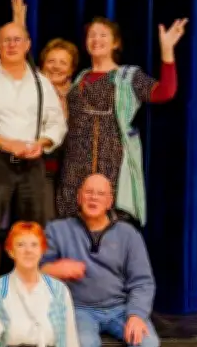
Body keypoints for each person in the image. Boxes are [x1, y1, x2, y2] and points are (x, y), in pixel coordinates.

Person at [41, 174, 158, 347]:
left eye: (100, 193)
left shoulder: (128, 235)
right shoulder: (57, 230)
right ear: (79, 197)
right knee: (82, 345)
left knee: (148, 341)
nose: (94, 198)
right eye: (89, 192)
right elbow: (33, 271)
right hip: (79, 308)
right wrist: (54, 269)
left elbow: (142, 282)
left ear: (110, 201)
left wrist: (136, 314)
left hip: (119, 307)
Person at [0, 22, 67, 298]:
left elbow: (57, 124)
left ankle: (29, 297)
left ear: (27, 45)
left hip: (33, 164)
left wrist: (41, 143)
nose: (11, 45)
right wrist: (5, 142)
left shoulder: (41, 83)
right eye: (5, 40)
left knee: (32, 235)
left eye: (17, 39)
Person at [56, 16, 187, 225]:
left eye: (103, 35)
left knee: (109, 227)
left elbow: (165, 92)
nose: (96, 39)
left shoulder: (128, 76)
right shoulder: (80, 77)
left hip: (111, 165)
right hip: (74, 167)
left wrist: (167, 50)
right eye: (91, 35)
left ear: (115, 43)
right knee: (72, 226)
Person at [38, 38, 79, 220]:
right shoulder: (31, 91)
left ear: (71, 69)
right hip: (40, 170)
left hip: (71, 171)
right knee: (47, 221)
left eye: (63, 63)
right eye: (51, 61)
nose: (56, 67)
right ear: (42, 65)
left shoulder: (78, 95)